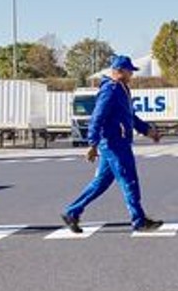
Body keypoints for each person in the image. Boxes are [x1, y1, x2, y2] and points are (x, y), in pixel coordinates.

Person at [62, 55, 163, 233]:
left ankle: (72, 211)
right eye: (129, 70)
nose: (132, 73)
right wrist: (92, 143)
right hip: (114, 144)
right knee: (128, 180)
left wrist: (148, 130)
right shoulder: (110, 90)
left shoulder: (122, 89)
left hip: (117, 142)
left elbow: (130, 117)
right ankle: (139, 220)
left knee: (100, 183)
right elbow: (97, 117)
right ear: (119, 71)